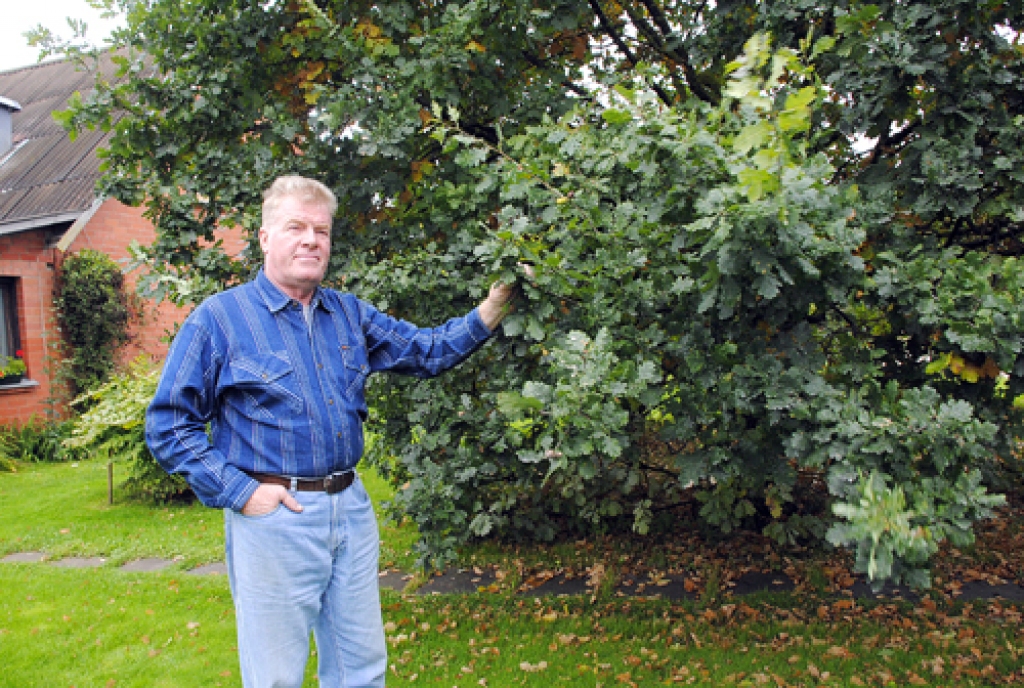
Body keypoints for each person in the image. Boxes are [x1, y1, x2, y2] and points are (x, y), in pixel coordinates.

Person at [145, 175, 517, 688]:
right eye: (295, 227)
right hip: (275, 517)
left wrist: (493, 307)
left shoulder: (347, 314)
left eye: (321, 230)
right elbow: (168, 424)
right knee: (276, 677)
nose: (310, 240)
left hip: (350, 510)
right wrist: (241, 491)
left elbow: (425, 351)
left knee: (360, 668)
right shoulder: (220, 320)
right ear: (265, 238)